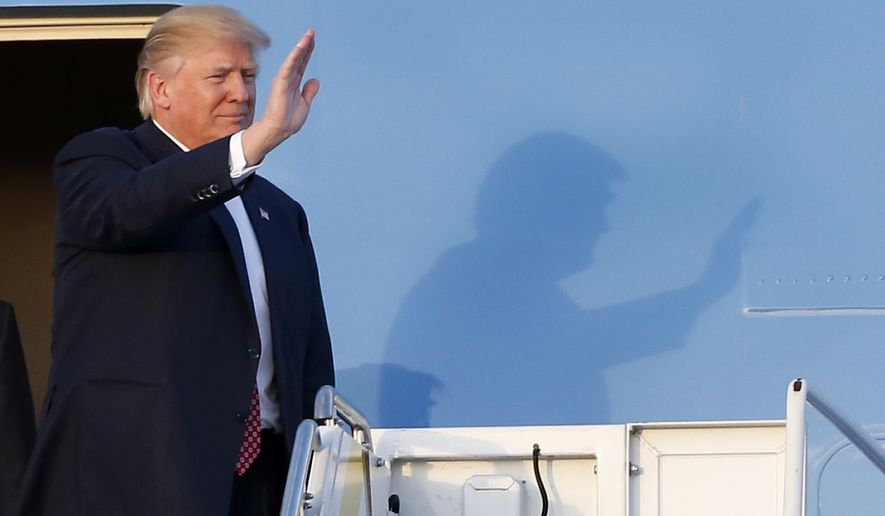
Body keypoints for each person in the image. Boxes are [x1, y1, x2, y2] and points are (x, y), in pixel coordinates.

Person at [16, 5, 334, 516]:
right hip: (138, 476)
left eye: (249, 75)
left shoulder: (279, 210)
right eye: (220, 76)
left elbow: (309, 354)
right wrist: (252, 145)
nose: (242, 92)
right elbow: (124, 213)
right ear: (160, 88)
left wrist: (319, 462)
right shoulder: (102, 159)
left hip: (263, 482)